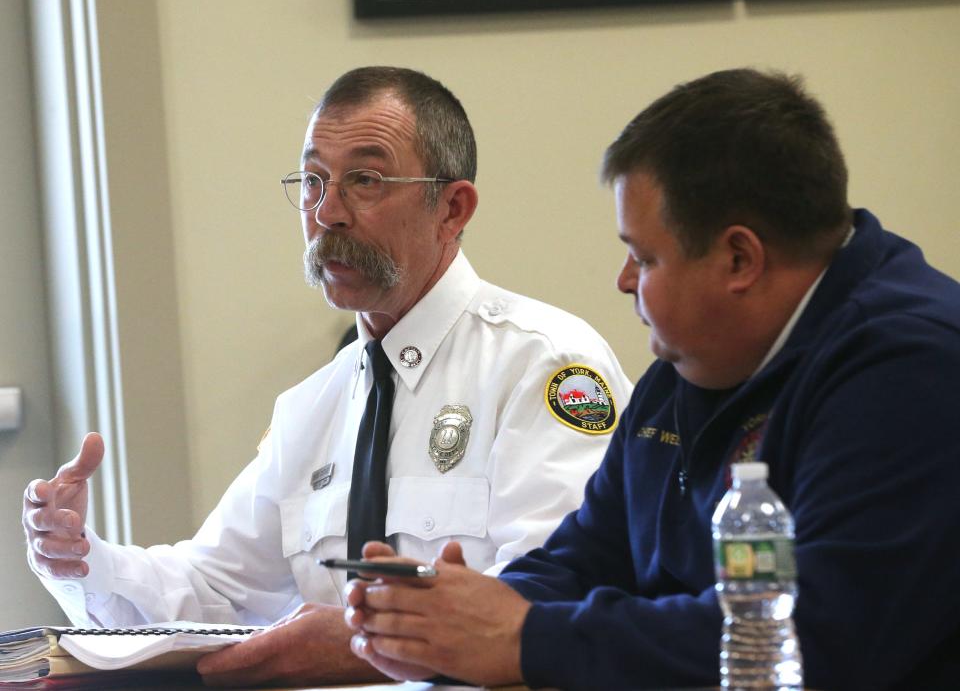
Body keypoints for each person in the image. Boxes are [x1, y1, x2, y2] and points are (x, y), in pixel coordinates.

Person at [344, 68, 960, 690]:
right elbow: (587, 558)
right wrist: (450, 620)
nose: (624, 280)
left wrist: (525, 638)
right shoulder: (695, 359)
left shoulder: (914, 367)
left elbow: (818, 639)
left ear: (738, 259)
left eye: (645, 257)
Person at [21, 66, 632, 687]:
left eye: (365, 180)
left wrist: (360, 640)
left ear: (452, 208)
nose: (328, 212)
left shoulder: (545, 365)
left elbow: (553, 604)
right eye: (313, 181)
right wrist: (80, 557)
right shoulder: (315, 404)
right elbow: (214, 590)